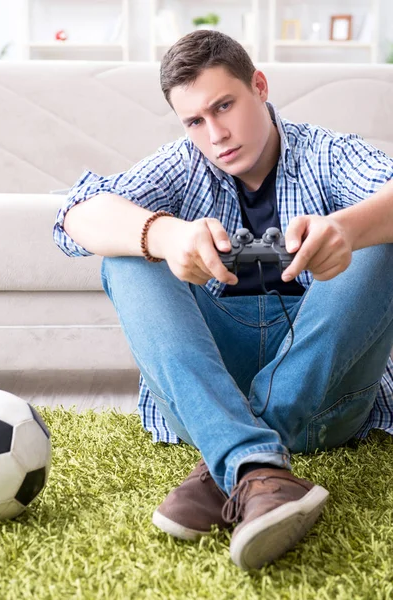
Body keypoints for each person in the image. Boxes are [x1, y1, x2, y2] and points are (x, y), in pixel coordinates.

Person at [53, 30, 393, 570]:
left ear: (259, 86)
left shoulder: (325, 152)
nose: (216, 134)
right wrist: (164, 237)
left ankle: (233, 459)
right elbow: (76, 213)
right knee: (125, 253)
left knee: (383, 246)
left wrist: (347, 230)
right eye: (195, 121)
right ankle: (257, 461)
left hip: (326, 391)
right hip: (209, 388)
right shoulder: (184, 163)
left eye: (225, 106)